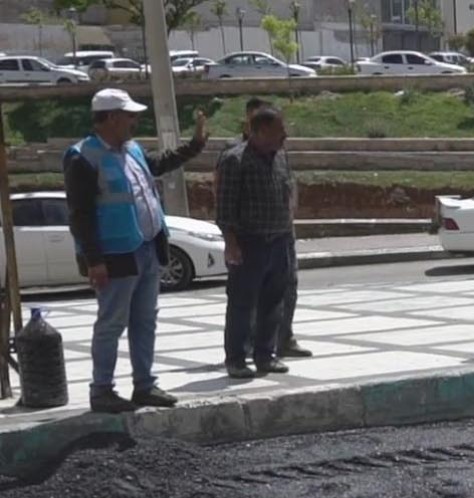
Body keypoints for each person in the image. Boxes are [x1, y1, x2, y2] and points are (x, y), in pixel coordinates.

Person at [62, 88, 208, 413]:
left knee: (145, 320)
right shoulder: (82, 157)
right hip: (115, 256)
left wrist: (195, 145)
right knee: (111, 323)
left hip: (145, 247)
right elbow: (80, 214)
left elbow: (161, 164)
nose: (134, 120)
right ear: (111, 117)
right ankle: (102, 390)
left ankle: (144, 385)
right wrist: (94, 261)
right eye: (129, 115)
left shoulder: (133, 151)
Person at [216, 105, 296, 380]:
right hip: (249, 244)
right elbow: (225, 208)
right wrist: (231, 243)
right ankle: (236, 359)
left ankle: (266, 355)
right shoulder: (235, 160)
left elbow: (287, 193)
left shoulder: (281, 157)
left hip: (279, 242)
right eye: (278, 132)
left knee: (273, 302)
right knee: (241, 304)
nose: (284, 137)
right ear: (260, 132)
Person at [239, 96, 310, 359]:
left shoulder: (280, 153)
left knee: (287, 286)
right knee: (254, 293)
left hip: (283, 231)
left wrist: (291, 209)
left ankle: (284, 338)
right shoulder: (236, 153)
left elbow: (289, 182)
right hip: (255, 235)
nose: (283, 133)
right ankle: (251, 344)